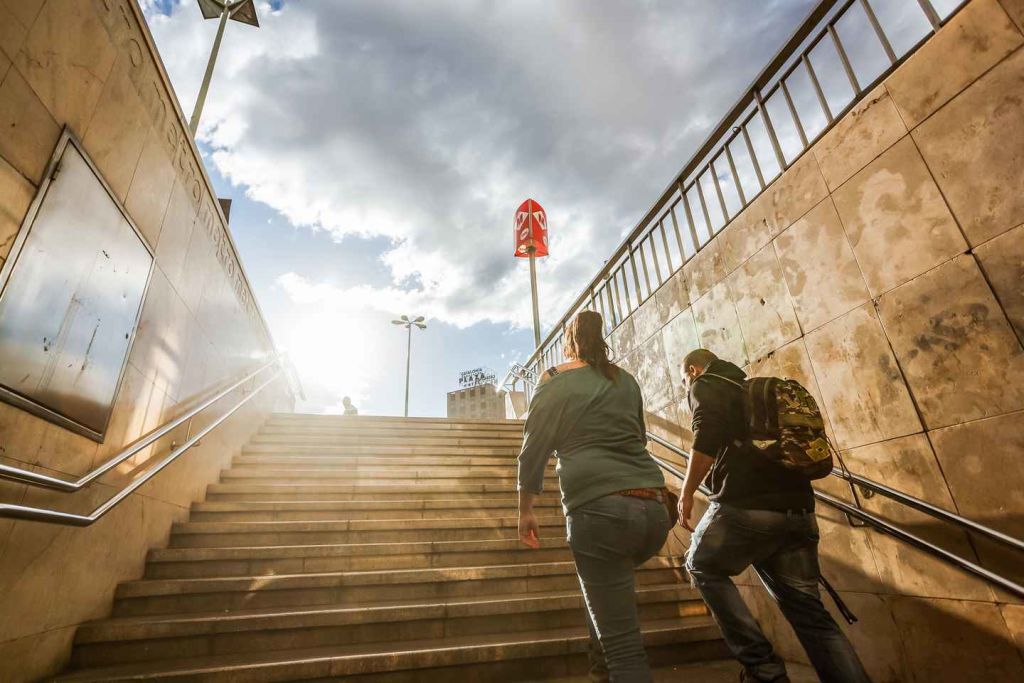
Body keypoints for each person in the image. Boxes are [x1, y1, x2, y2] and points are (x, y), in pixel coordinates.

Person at [678, 348, 870, 683]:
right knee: (811, 616)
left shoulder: (706, 384)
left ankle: (763, 669)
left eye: (684, 380)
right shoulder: (750, 392)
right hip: (799, 512)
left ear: (693, 370)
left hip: (746, 506)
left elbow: (705, 436)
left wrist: (685, 493)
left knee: (700, 564)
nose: (686, 387)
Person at [517, 310, 672, 683]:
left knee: (625, 651)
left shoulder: (555, 379)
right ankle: (601, 670)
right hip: (654, 508)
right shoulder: (625, 379)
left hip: (600, 511)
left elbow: (534, 448)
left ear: (569, 343)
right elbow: (639, 437)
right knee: (605, 588)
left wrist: (525, 509)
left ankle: (611, 666)